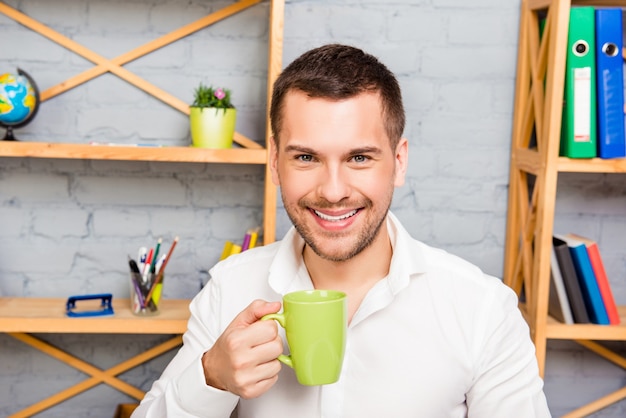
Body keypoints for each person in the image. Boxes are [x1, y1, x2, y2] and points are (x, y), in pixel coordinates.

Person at [133, 44, 551, 418]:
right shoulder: (231, 287)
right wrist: (211, 378)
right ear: (276, 162)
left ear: (399, 162)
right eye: (307, 157)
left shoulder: (482, 310)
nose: (333, 192)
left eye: (359, 158)